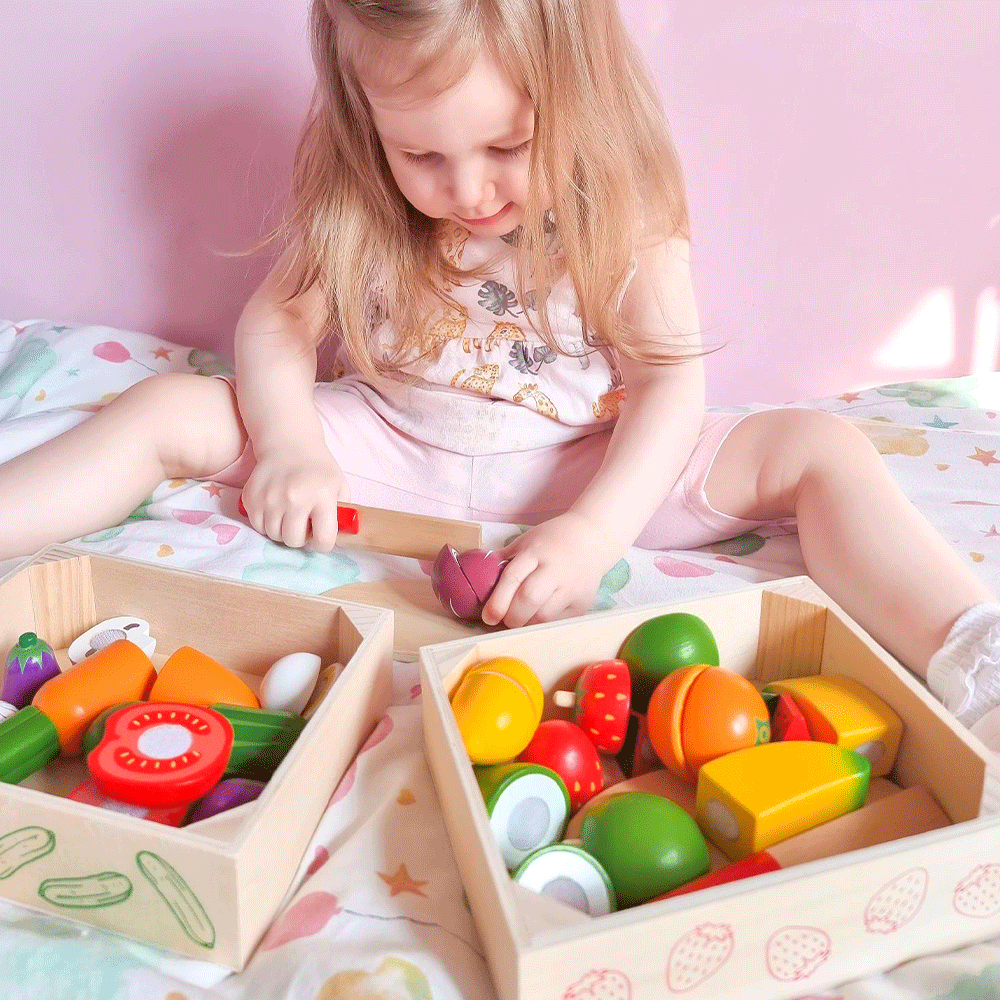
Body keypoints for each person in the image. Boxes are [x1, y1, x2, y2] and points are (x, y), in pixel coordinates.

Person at [1, 0, 999, 742]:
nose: (466, 189)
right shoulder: (358, 190)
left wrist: (592, 530)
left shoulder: (623, 202)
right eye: (420, 155)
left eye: (506, 146)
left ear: (574, 99)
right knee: (172, 405)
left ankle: (971, 656)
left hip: (581, 465)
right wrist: (295, 447)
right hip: (383, 447)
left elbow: (663, 384)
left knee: (817, 445)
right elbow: (277, 322)